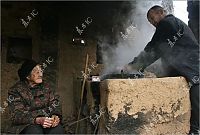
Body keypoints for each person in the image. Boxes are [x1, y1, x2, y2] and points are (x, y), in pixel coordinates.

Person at [123, 5, 199, 134]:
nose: (153, 23)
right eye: (150, 21)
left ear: (162, 12)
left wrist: (134, 65)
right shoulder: (171, 23)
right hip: (185, 64)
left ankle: (196, 129)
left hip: (191, 65)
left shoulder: (167, 23)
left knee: (196, 92)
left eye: (153, 18)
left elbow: (154, 48)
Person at [8, 59, 65, 134]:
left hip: (47, 121)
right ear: (28, 76)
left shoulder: (47, 87)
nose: (40, 74)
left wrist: (55, 115)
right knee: (35, 132)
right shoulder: (15, 91)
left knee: (57, 130)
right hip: (26, 124)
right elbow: (16, 115)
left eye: (41, 71)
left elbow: (55, 103)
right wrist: (37, 119)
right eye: (36, 71)